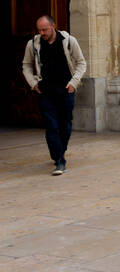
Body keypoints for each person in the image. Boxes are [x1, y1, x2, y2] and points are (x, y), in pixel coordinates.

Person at [22, 14, 87, 174]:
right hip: (45, 91)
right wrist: (33, 84)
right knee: (51, 126)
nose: (42, 33)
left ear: (53, 26)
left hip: (65, 90)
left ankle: (60, 152)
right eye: (39, 30)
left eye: (44, 29)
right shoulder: (33, 44)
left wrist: (74, 83)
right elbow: (26, 66)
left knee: (65, 125)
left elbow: (81, 63)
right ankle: (60, 160)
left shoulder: (69, 41)